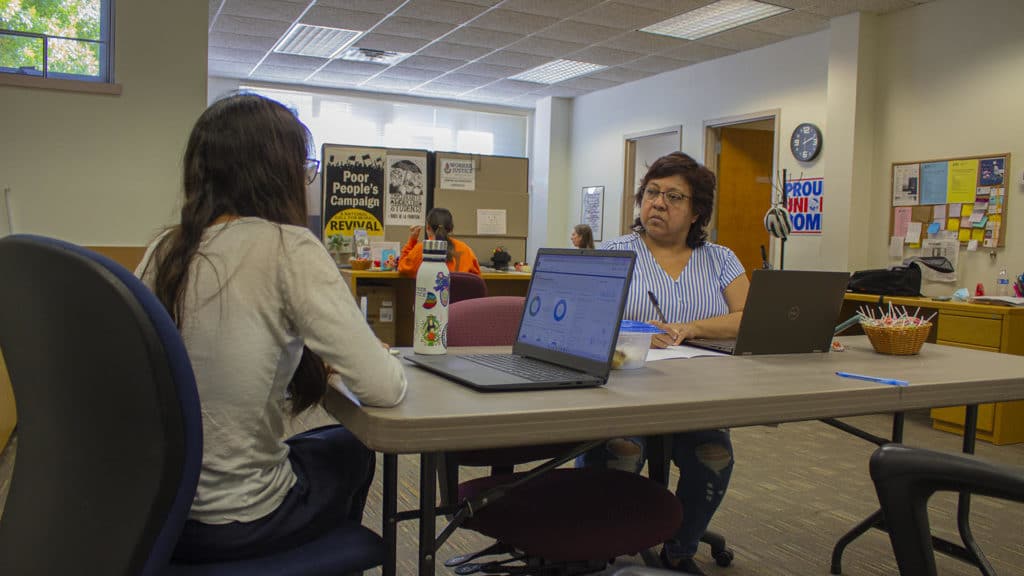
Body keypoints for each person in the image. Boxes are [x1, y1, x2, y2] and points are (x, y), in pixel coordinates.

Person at [135, 93, 407, 563]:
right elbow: (383, 388)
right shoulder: (287, 246)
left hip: (155, 513)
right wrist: (372, 356)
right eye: (304, 165)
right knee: (352, 450)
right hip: (237, 517)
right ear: (277, 170)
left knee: (325, 443)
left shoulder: (164, 249)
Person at [582, 152, 749, 574]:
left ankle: (681, 549)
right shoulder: (617, 251)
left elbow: (747, 318)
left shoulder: (720, 259)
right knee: (621, 449)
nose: (658, 203)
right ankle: (604, 544)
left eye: (674, 197)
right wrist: (636, 327)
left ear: (696, 212)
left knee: (714, 454)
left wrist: (691, 327)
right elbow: (589, 315)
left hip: (700, 392)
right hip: (625, 390)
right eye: (652, 193)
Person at [398, 207, 481, 276]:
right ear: (451, 228)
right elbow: (477, 277)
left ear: (428, 228)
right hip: (461, 296)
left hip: (430, 295)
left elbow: (402, 268)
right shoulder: (465, 249)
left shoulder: (422, 248)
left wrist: (412, 241)